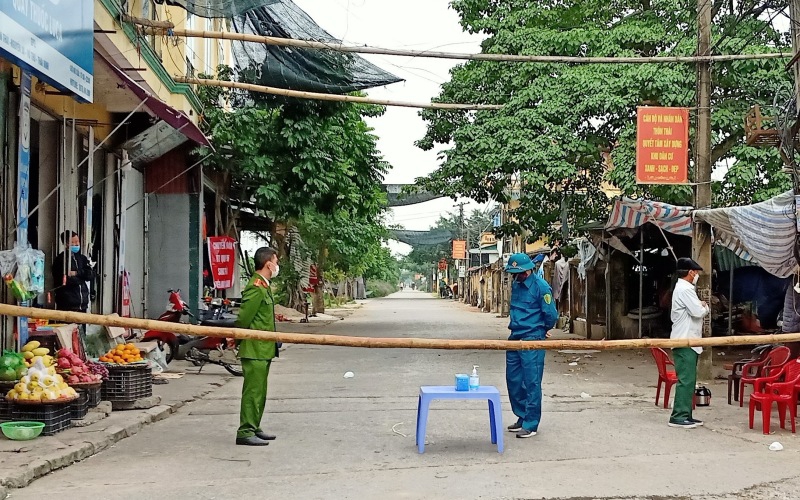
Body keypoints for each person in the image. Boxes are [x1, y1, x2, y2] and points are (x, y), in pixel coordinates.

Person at [504, 253, 559, 438]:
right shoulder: (516, 285)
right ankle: (522, 416)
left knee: (532, 382)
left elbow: (551, 314)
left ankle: (531, 423)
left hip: (532, 338)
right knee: (514, 381)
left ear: (529, 270)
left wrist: (543, 330)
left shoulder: (541, 287)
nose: (516, 277)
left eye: (519, 273)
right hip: (514, 337)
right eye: (513, 274)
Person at [235, 247, 280, 446]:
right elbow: (244, 318)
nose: (278, 265)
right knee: (253, 391)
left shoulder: (265, 285)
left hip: (264, 348)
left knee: (260, 391)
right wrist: (236, 340)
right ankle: (245, 431)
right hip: (254, 348)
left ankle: (254, 426)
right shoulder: (256, 286)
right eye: (276, 261)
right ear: (268, 264)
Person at [668, 257, 710, 429]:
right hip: (684, 340)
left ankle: (686, 414)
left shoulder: (684, 288)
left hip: (689, 340)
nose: (697, 276)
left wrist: (700, 306)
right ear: (691, 272)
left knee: (690, 380)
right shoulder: (685, 289)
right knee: (686, 380)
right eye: (696, 273)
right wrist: (705, 307)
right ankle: (678, 416)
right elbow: (697, 312)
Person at [51, 230, 93, 312]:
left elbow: (91, 274)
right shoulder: (61, 260)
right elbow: (66, 280)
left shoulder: (82, 258)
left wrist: (77, 273)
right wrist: (82, 278)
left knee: (82, 323)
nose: (77, 244)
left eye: (78, 241)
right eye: (73, 242)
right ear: (66, 244)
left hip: (83, 304)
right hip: (67, 304)